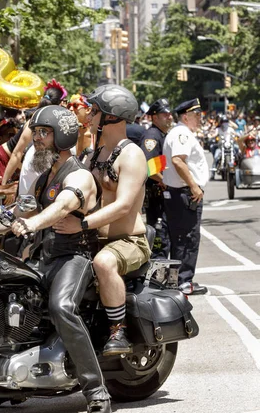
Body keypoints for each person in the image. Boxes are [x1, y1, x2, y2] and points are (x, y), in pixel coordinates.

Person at [9, 105, 112, 413]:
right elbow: (21, 213)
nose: (36, 139)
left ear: (63, 136)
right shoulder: (43, 178)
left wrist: (34, 222)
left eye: (43, 133)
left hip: (74, 255)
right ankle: (3, 381)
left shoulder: (79, 173)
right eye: (35, 133)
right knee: (6, 297)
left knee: (62, 306)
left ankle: (96, 392)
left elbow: (65, 204)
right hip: (45, 256)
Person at [54, 85, 151, 357]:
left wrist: (82, 225)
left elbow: (123, 206)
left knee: (104, 262)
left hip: (128, 241)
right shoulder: (94, 153)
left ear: (113, 116)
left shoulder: (132, 155)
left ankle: (118, 331)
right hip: (94, 238)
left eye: (96, 111)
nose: (90, 115)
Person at [162, 98, 209, 295]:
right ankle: (184, 282)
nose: (199, 119)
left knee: (179, 239)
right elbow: (178, 161)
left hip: (178, 193)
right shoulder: (182, 134)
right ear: (185, 116)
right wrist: (193, 186)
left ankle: (177, 281)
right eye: (196, 115)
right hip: (185, 193)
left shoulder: (179, 132)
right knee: (188, 239)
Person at [140, 98, 173, 259]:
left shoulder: (161, 134)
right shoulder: (152, 136)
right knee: (160, 238)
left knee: (165, 236)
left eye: (169, 113)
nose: (169, 116)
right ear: (154, 117)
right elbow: (150, 168)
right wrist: (166, 182)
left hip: (162, 196)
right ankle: (157, 278)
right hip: (157, 197)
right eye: (164, 114)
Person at [67, 94, 93, 159]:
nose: (70, 109)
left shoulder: (97, 136)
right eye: (69, 105)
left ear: (88, 110)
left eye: (75, 105)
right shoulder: (66, 134)